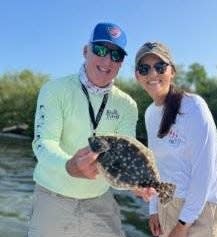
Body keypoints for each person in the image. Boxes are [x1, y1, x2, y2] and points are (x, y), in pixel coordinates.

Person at [29, 22, 151, 237]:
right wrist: (68, 165)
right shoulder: (55, 90)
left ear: (122, 63)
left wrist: (137, 183)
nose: (107, 60)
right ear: (86, 51)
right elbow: (43, 142)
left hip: (100, 200)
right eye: (101, 50)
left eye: (116, 55)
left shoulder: (128, 105)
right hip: (52, 196)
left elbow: (127, 154)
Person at [134, 42, 217, 237]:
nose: (152, 74)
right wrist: (153, 210)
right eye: (144, 68)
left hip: (203, 210)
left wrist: (183, 224)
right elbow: (155, 165)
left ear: (172, 71)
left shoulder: (194, 106)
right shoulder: (150, 114)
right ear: (137, 76)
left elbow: (205, 172)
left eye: (160, 67)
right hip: (166, 201)